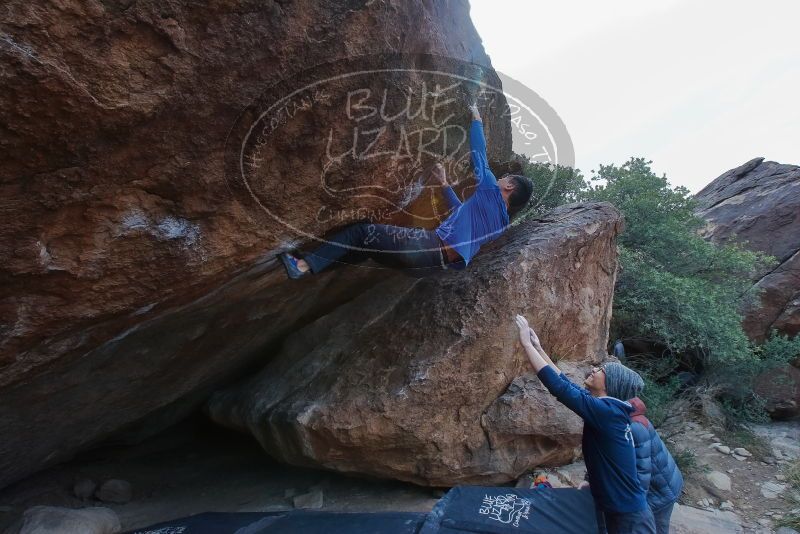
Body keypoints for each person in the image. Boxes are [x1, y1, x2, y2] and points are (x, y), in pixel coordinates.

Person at [278, 104, 534, 279]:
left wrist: (476, 118)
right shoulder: (499, 224)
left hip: (427, 247)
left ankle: (301, 266)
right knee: (367, 246)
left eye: (504, 178)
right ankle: (314, 265)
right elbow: (460, 214)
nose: (499, 178)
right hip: (431, 267)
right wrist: (444, 184)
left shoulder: (490, 189)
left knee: (359, 232)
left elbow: (479, 153)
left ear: (509, 186)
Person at [513, 314, 656, 534]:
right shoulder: (609, 409)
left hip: (630, 519)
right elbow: (568, 384)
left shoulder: (607, 413)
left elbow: (560, 389)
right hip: (618, 509)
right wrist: (538, 348)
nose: (594, 371)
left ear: (610, 384)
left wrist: (525, 344)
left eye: (601, 371)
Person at [628, 396, 683, 534]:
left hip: (661, 491)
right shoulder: (625, 417)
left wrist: (636, 507)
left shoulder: (634, 425)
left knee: (652, 528)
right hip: (664, 485)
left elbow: (643, 470)